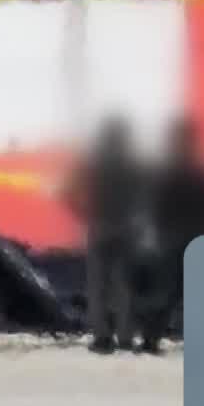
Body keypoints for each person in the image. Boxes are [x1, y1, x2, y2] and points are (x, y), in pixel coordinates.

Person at [137, 117, 204, 353]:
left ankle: (150, 340)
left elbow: (156, 207)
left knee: (165, 293)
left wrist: (157, 234)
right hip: (201, 238)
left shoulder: (167, 171)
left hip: (172, 240)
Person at [62, 116, 149, 354]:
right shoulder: (136, 164)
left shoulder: (93, 162)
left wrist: (84, 214)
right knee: (124, 286)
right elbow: (147, 198)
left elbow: (67, 193)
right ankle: (125, 337)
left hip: (99, 227)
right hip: (127, 230)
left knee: (97, 285)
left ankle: (102, 338)